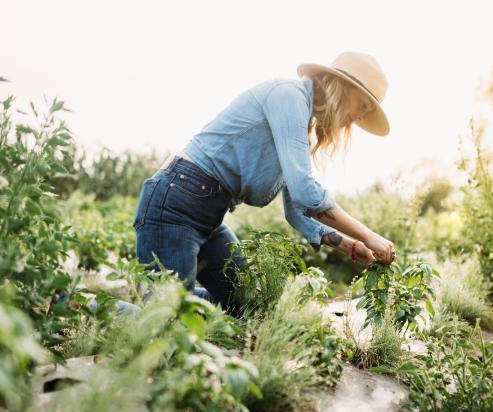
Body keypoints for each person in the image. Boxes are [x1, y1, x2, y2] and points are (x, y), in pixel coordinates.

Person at [131, 51, 395, 318]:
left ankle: (180, 305)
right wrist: (368, 235)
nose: (358, 118)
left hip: (207, 214)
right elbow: (306, 192)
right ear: (343, 88)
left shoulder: (297, 124)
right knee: (166, 322)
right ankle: (92, 309)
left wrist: (350, 245)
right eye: (362, 106)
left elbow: (296, 211)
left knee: (252, 304)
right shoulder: (288, 96)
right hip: (175, 204)